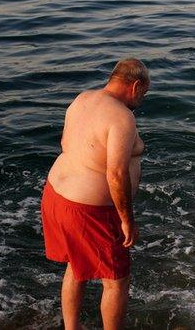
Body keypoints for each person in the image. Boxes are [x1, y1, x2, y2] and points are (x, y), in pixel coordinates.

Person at [41, 58, 149, 330]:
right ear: (135, 86)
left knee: (76, 268)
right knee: (116, 279)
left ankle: (71, 327)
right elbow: (115, 174)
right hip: (88, 210)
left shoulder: (83, 99)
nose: (143, 99)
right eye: (144, 93)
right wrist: (127, 219)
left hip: (56, 196)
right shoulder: (122, 117)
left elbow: (66, 143)